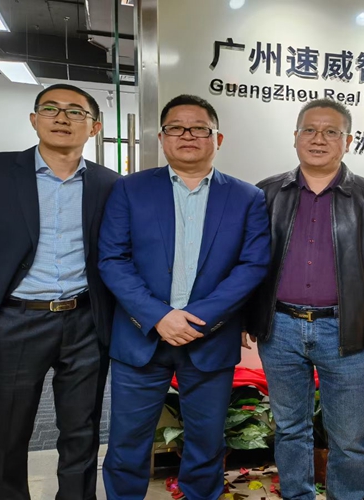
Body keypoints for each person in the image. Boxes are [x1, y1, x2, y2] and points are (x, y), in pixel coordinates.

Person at [0, 84, 119, 500]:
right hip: (15, 320)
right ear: (34, 119)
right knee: (6, 433)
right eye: (50, 108)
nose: (62, 118)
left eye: (75, 112)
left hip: (86, 322)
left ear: (94, 127)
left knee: (82, 432)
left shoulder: (109, 184)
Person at [99, 94, 271, 500]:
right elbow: (112, 259)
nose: (187, 135)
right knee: (127, 443)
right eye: (176, 127)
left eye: (199, 128)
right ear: (162, 138)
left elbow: (252, 266)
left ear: (218, 138)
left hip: (209, 337)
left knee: (206, 443)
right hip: (141, 337)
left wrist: (197, 318)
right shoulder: (130, 189)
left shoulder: (248, 197)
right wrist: (159, 316)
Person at [244, 99, 364, 499]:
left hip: (345, 332)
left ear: (348, 141)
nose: (319, 139)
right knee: (289, 429)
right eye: (309, 130)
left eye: (331, 131)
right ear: (295, 137)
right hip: (280, 329)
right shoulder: (265, 193)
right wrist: (246, 319)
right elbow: (246, 264)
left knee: (350, 436)